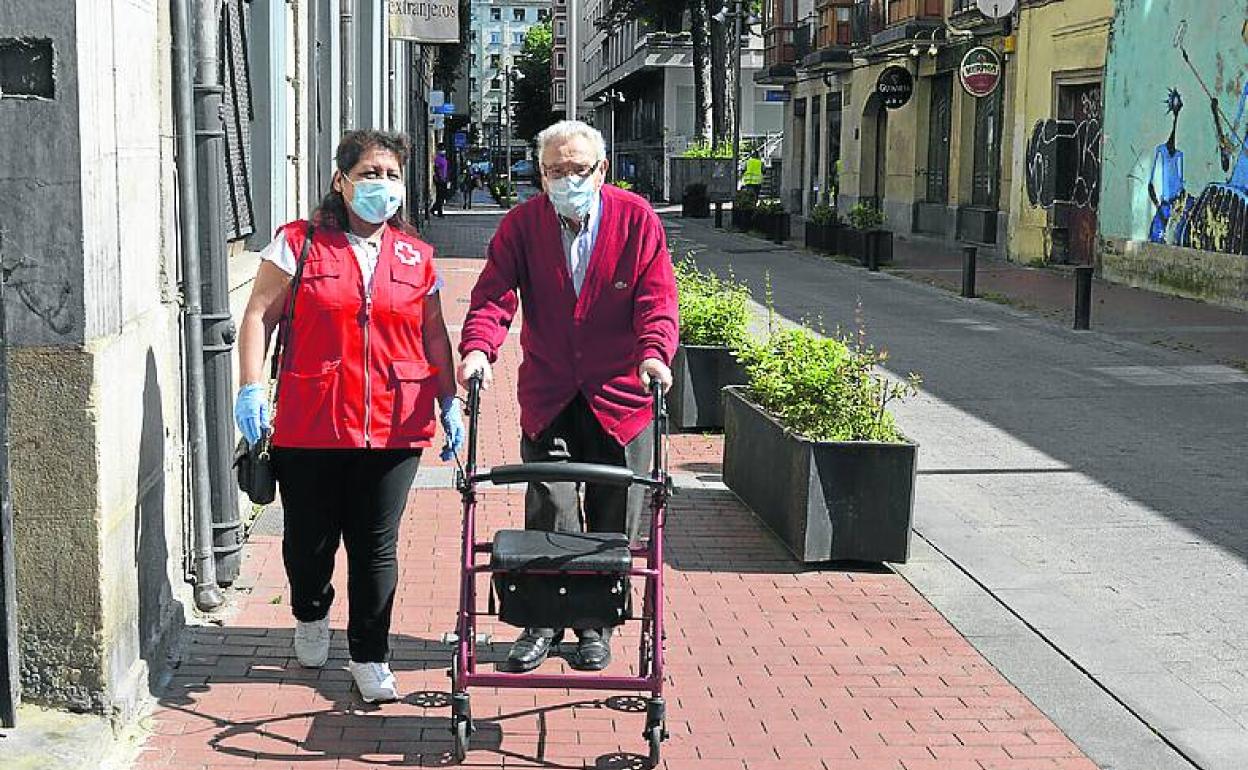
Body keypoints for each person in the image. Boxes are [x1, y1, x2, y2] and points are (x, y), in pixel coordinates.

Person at [234, 130, 464, 703]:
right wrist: (250, 387)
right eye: (370, 173)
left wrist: (449, 399)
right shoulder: (300, 244)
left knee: (375, 544)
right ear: (341, 181)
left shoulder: (417, 255)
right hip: (311, 421)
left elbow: (433, 333)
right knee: (310, 541)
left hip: (395, 421)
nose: (381, 184)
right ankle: (311, 613)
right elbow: (259, 315)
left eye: (391, 174)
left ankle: (369, 655)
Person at [457, 120, 678, 673]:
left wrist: (654, 353)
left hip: (622, 396)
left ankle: (595, 624)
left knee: (614, 514)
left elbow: (657, 298)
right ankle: (543, 621)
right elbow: (493, 295)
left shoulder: (636, 220)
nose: (568, 178)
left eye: (579, 169)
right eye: (556, 170)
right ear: (541, 173)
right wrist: (479, 349)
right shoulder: (523, 225)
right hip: (551, 391)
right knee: (552, 506)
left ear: (601, 169)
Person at [431, 150, 449, 218]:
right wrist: (440, 178)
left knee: (442, 196)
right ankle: (439, 212)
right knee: (440, 196)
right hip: (440, 180)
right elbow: (436, 168)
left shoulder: (444, 159)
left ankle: (434, 209)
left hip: (443, 180)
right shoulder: (438, 158)